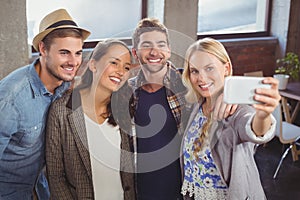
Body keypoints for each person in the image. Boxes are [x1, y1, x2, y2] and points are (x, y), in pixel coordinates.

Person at [112, 18, 236, 200]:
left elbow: (215, 83)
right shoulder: (126, 92)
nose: (154, 51)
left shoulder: (189, 87)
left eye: (160, 45)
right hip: (142, 189)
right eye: (146, 45)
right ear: (135, 52)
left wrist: (229, 93)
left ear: (168, 50)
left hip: (184, 189)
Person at [0, 8, 90, 200]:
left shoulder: (65, 83)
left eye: (78, 53)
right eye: (64, 53)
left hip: (40, 190)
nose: (73, 62)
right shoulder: (11, 98)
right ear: (43, 49)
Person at [180, 37, 281, 199]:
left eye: (209, 68)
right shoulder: (197, 106)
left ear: (226, 68)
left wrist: (263, 115)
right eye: (195, 71)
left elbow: (253, 129)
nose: (201, 78)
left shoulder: (236, 109)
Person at [45, 39, 136, 200]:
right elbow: (55, 175)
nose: (121, 71)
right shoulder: (62, 110)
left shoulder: (125, 108)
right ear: (93, 65)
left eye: (126, 67)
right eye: (114, 63)